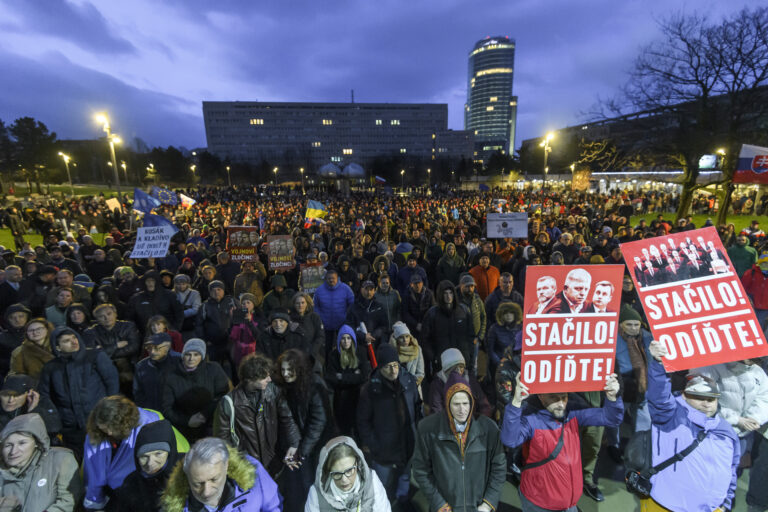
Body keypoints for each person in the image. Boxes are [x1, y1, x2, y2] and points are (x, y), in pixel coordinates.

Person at [642, 340, 740, 511]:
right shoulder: (670, 415)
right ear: (684, 396)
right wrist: (658, 364)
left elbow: (731, 469)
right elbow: (659, 397)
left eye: (711, 399)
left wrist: (725, 504)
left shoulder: (726, 430)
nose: (706, 404)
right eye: (699, 398)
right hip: (666, 506)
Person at [411, 373, 507, 512]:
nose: (462, 410)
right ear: (447, 403)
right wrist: (439, 503)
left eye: (465, 403)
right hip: (445, 508)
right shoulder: (428, 429)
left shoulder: (489, 429)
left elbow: (499, 467)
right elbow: (421, 469)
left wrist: (488, 503)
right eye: (456, 404)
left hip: (479, 507)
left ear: (472, 403)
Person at [214, 353, 300, 478]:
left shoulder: (273, 391)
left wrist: (294, 443)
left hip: (273, 463)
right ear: (250, 379)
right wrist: (237, 467)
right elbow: (222, 442)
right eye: (265, 377)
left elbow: (287, 419)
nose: (269, 379)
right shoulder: (228, 403)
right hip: (247, 468)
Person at [37, 326, 119, 454]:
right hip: (71, 427)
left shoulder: (95, 356)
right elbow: (44, 395)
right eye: (66, 341)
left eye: (74, 337)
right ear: (57, 347)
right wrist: (57, 419)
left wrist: (108, 411)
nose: (74, 342)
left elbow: (112, 382)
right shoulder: (50, 367)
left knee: (105, 456)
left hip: (99, 421)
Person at [356, 344, 421, 505]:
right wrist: (374, 444)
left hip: (407, 443)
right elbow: (362, 421)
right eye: (387, 367)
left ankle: (402, 500)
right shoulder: (371, 389)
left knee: (405, 477)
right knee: (382, 484)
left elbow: (418, 407)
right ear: (380, 367)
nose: (393, 371)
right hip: (383, 449)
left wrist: (418, 433)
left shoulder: (408, 381)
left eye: (395, 365)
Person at [274, 349, 332, 512]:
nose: (285, 374)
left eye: (289, 370)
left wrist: (302, 450)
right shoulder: (283, 386)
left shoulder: (314, 385)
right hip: (296, 444)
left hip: (312, 446)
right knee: (296, 485)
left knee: (310, 483)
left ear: (299, 369)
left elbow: (318, 422)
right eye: (283, 369)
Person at [82, 396, 164, 511]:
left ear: (124, 424)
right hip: (113, 491)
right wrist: (94, 503)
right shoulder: (94, 435)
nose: (109, 433)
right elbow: (93, 474)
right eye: (104, 429)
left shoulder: (147, 426)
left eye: (112, 428)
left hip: (142, 487)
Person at [161, 437, 281, 512]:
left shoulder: (254, 473)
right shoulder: (176, 507)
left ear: (226, 465)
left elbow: (273, 507)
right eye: (198, 484)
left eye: (214, 479)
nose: (206, 492)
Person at [0, 413, 82, 512]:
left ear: (36, 442)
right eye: (8, 445)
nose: (13, 451)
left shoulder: (60, 460)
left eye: (22, 443)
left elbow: (68, 500)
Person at [162, 339, 230, 442]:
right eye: (188, 354)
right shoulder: (171, 377)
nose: (191, 358)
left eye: (196, 354)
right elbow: (167, 408)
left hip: (211, 426)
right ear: (183, 355)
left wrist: (204, 414)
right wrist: (187, 421)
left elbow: (223, 395)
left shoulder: (214, 370)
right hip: (183, 429)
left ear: (202, 356)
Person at [108, 419, 184, 512]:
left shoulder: (188, 470)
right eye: (144, 456)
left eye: (158, 454)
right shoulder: (131, 484)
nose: (150, 463)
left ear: (170, 452)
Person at [305, 436, 390, 512]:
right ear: (328, 471)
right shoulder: (316, 494)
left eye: (349, 471)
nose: (344, 480)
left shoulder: (372, 481)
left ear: (358, 464)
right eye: (337, 473)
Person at [420, 280, 475, 374]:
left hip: (462, 361)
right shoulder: (432, 313)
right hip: (441, 363)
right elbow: (425, 339)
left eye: (450, 293)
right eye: (445, 293)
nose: (448, 296)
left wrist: (469, 354)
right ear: (440, 295)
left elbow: (471, 334)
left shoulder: (463, 310)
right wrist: (434, 358)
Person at [325, 325, 371, 435]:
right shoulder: (334, 355)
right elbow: (331, 378)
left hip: (358, 396)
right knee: (344, 429)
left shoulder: (361, 352)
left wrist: (341, 376)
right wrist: (354, 376)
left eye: (349, 338)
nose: (346, 341)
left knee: (359, 427)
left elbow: (364, 376)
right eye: (343, 338)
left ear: (353, 339)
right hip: (341, 399)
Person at [428, 348, 492, 418]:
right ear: (446, 370)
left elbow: (483, 404)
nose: (458, 371)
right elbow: (436, 410)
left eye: (461, 367)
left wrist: (481, 424)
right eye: (454, 368)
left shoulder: (470, 379)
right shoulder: (438, 384)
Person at [133, 333, 181, 411]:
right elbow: (138, 392)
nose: (152, 351)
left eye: (156, 348)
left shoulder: (179, 362)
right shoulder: (141, 366)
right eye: (149, 348)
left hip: (175, 412)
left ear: (167, 347)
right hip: (151, 413)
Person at [312, 269, 354, 356]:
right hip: (326, 324)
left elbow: (352, 303)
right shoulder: (319, 290)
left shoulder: (345, 288)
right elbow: (315, 306)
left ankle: (343, 363)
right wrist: (320, 318)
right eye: (329, 278)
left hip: (342, 323)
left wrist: (346, 316)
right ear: (325, 279)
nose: (331, 280)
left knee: (343, 346)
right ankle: (328, 365)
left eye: (333, 278)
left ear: (337, 278)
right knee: (327, 347)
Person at [196, 280, 239, 364]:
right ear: (210, 292)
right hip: (213, 343)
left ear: (223, 290)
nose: (216, 292)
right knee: (215, 365)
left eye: (219, 289)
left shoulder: (232, 301)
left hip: (231, 341)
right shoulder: (204, 306)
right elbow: (198, 325)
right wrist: (204, 340)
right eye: (213, 290)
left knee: (235, 365)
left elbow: (244, 316)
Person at [388, 321, 425, 388]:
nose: (405, 340)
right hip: (396, 390)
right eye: (401, 337)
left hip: (414, 389)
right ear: (396, 339)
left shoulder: (417, 349)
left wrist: (411, 387)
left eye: (407, 336)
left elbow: (420, 374)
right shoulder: (391, 351)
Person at [0, 304, 30, 378]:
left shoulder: (36, 333)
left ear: (27, 317)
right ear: (7, 320)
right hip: (9, 375)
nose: (17, 320)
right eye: (12, 318)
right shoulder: (2, 338)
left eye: (21, 316)